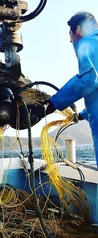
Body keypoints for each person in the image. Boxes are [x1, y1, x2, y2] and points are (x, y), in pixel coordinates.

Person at [45, 11, 98, 166]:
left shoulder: (87, 43)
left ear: (77, 30)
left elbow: (90, 79)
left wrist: (55, 102)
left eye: (70, 34)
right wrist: (83, 115)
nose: (70, 40)